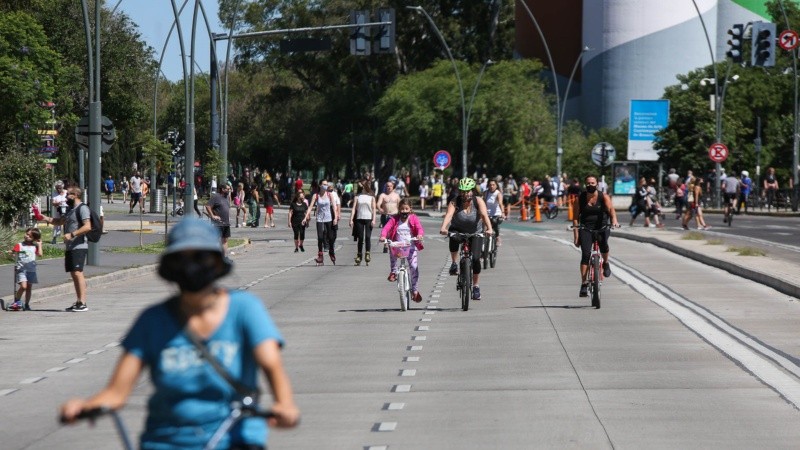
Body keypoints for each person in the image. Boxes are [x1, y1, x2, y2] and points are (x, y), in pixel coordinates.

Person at [59, 218, 300, 448]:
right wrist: (86, 405)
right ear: (169, 268)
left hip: (233, 439)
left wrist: (285, 405)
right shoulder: (152, 321)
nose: (190, 266)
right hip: (163, 442)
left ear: (217, 263)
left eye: (200, 257)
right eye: (180, 259)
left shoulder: (245, 309)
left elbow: (271, 364)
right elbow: (116, 392)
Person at [439, 177, 493, 301]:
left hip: (476, 232)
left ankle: (475, 286)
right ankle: (454, 263)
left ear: (472, 191)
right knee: (452, 236)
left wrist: (489, 229)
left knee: (475, 259)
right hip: (458, 230)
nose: (465, 193)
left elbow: (484, 215)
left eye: (468, 191)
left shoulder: (478, 201)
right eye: (463, 191)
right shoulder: (454, 202)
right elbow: (449, 215)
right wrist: (443, 227)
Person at [41, 187, 93, 312]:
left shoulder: (82, 208)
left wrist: (72, 234)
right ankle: (78, 301)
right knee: (73, 273)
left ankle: (83, 302)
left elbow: (87, 226)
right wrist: (44, 218)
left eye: (68, 194)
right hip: (70, 246)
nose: (65, 197)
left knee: (77, 272)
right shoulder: (70, 210)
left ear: (75, 195)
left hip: (79, 245)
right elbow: (59, 221)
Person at [571, 175, 620, 297]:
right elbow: (575, 218)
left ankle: (606, 263)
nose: (590, 185)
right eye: (588, 183)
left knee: (604, 246)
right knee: (586, 254)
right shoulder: (580, 198)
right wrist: (576, 236)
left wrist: (614, 221)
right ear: (585, 184)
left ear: (597, 184)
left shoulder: (603, 196)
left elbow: (611, 210)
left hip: (602, 226)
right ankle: (584, 284)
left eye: (593, 183)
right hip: (586, 228)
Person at [380, 198, 425, 302]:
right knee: (391, 248)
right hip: (398, 246)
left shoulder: (413, 218)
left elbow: (419, 228)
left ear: (410, 209)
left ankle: (415, 291)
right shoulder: (394, 219)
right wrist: (383, 236)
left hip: (411, 246)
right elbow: (386, 228)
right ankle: (393, 272)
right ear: (399, 209)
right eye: (402, 209)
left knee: (413, 267)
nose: (404, 211)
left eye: (406, 209)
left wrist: (419, 235)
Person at [7, 228, 43, 311]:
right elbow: (13, 252)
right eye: (26, 234)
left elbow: (40, 254)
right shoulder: (19, 245)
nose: (27, 236)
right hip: (21, 269)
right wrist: (11, 252)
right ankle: (17, 301)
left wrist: (40, 244)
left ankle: (27, 304)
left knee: (29, 288)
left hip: (31, 270)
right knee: (23, 286)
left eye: (30, 236)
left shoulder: (35, 246)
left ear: (34, 238)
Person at [305, 180, 338, 265]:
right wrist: (305, 218)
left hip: (328, 218)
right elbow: (310, 207)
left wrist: (336, 217)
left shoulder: (329, 195)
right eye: (324, 184)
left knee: (330, 237)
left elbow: (334, 206)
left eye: (326, 184)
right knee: (320, 237)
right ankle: (320, 255)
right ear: (320, 185)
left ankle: (331, 252)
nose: (326, 186)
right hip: (319, 218)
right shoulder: (316, 196)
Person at [350, 181, 377, 266]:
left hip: (368, 218)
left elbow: (374, 209)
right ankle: (359, 255)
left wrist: (374, 220)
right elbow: (354, 208)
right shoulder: (357, 197)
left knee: (368, 237)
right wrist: (351, 219)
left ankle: (367, 253)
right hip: (359, 218)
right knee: (360, 238)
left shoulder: (372, 197)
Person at [205, 182, 232, 254]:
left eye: (229, 189)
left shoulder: (226, 197)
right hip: (218, 224)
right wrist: (212, 216)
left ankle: (224, 258)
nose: (229, 190)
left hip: (226, 223)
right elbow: (208, 206)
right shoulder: (216, 197)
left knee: (225, 240)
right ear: (223, 189)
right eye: (228, 189)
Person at [376, 180, 400, 252]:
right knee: (385, 230)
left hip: (394, 215)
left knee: (393, 231)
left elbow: (400, 205)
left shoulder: (396, 195)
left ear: (393, 187)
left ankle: (393, 244)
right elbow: (378, 204)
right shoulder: (383, 195)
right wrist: (380, 210)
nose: (389, 187)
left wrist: (400, 213)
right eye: (387, 186)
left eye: (390, 186)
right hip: (385, 215)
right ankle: (386, 245)